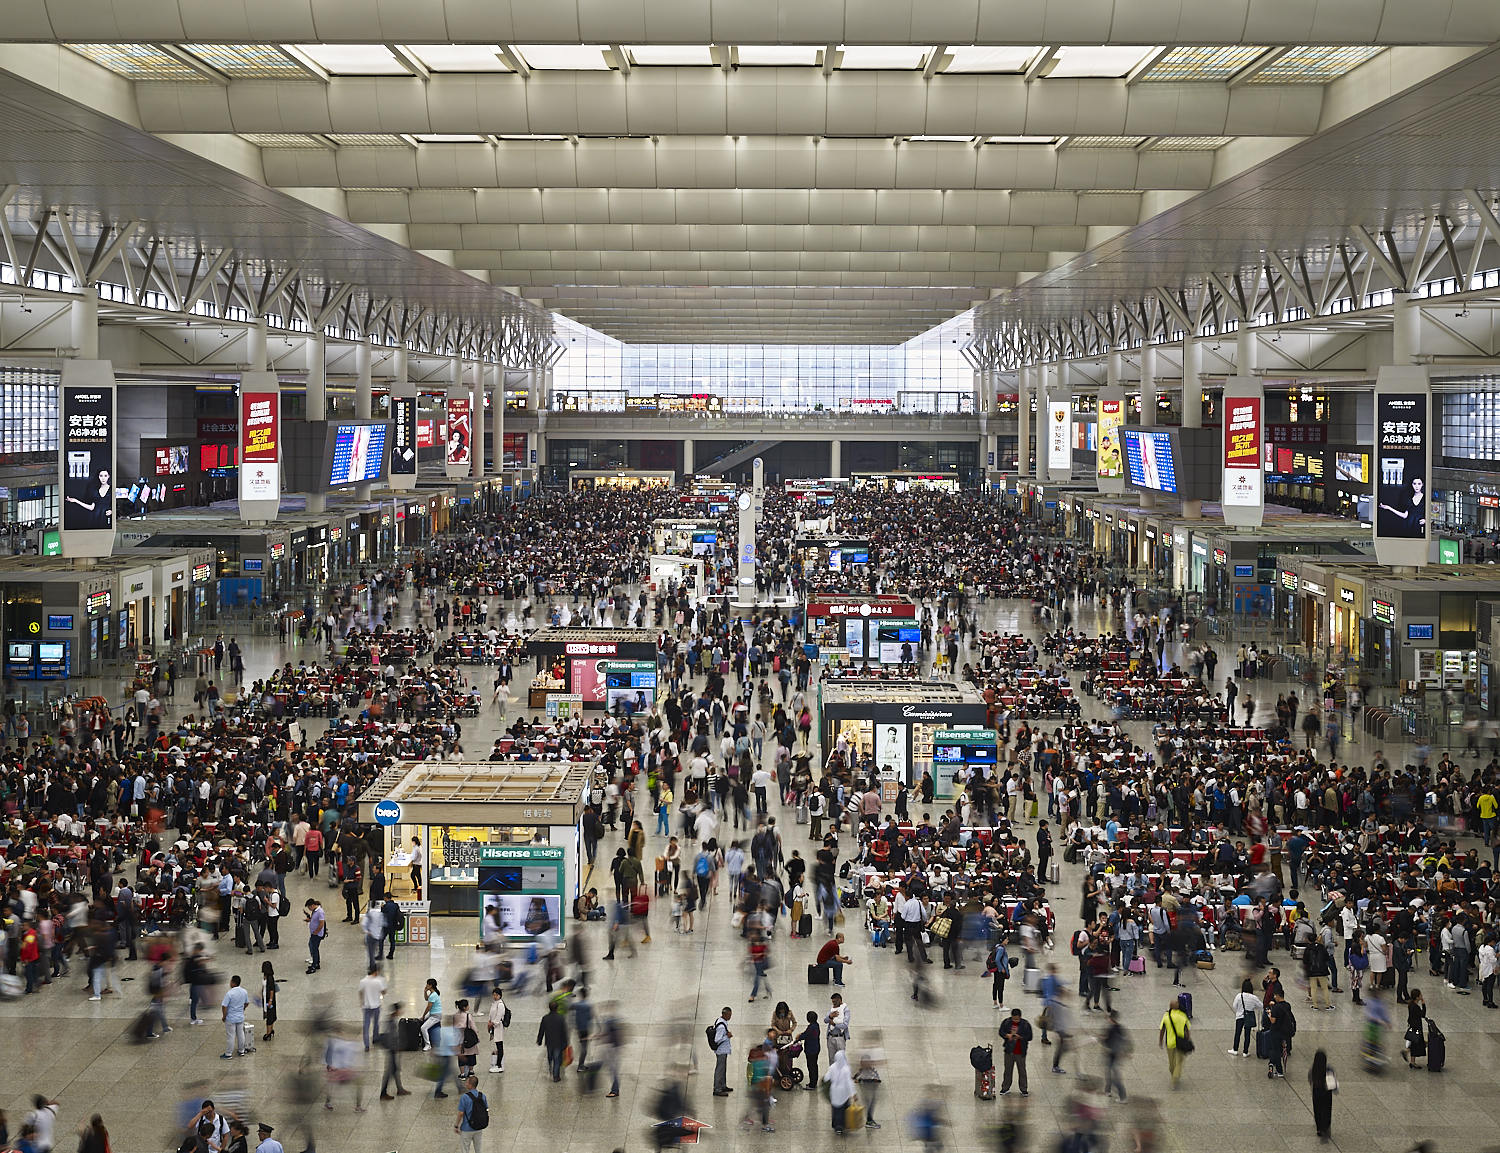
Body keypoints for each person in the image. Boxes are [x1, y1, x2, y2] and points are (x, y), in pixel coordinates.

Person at [379, 1002, 414, 1100]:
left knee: (394, 1070)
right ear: (397, 1011)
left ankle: (399, 1088)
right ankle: (383, 1093)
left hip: (392, 1049)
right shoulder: (391, 1022)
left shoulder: (391, 1020)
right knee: (390, 1071)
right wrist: (394, 1047)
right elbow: (390, 1036)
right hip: (391, 1049)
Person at [821, 1050, 857, 1136]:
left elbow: (826, 1078)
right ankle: (843, 1124)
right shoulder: (846, 1069)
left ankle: (836, 1126)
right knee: (843, 1108)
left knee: (835, 1109)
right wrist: (853, 1094)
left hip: (834, 1090)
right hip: (843, 1092)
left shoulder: (832, 1067)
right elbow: (849, 1082)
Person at [998, 1008, 1032, 1097]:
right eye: (1014, 1019)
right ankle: (1005, 1087)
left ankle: (1024, 1089)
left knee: (1022, 1071)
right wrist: (1007, 1035)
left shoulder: (1025, 1024)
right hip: (1009, 1051)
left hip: (1020, 1051)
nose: (1015, 1021)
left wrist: (1020, 1037)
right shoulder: (1006, 1022)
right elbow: (1001, 1032)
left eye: (1017, 1019)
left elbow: (1029, 1036)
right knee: (1007, 1070)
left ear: (1020, 1017)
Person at [1158, 997, 1191, 1088]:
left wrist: (1160, 1040)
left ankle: (1173, 1073)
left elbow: (1162, 1029)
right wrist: (1187, 1038)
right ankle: (1176, 1076)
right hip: (1180, 1043)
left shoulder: (1166, 1016)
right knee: (1179, 1061)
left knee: (1171, 1062)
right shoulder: (1183, 1016)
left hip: (1170, 1043)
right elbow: (1187, 1029)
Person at [536, 1000, 570, 1082]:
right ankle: (556, 1076)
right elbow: (564, 1031)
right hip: (558, 1042)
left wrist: (539, 1040)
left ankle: (551, 1068)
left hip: (549, 1042)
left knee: (550, 1056)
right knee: (557, 1058)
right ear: (557, 1008)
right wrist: (566, 1042)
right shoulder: (561, 1018)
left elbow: (541, 1030)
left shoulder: (545, 1018)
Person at [221, 974, 253, 1060]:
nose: (230, 983)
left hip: (230, 1017)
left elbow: (224, 1006)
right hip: (240, 1017)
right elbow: (247, 1003)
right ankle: (241, 1050)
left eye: (231, 981)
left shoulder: (229, 993)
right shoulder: (244, 991)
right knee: (241, 1034)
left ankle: (228, 1053)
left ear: (233, 983)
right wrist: (243, 1008)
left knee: (231, 1036)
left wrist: (224, 1016)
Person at [454, 1074, 488, 1153]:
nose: (465, 1084)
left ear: (470, 1085)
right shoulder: (482, 1096)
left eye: (467, 1082)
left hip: (467, 1128)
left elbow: (461, 1113)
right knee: (478, 1149)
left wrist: (456, 1125)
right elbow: (486, 1109)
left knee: (465, 1150)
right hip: (479, 1127)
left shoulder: (464, 1097)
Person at [1308, 1049, 1336, 1142]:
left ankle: (1319, 1127)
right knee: (1326, 1108)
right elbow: (1333, 1082)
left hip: (1316, 1090)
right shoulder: (1328, 1069)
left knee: (1318, 1109)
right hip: (1326, 1091)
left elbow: (1310, 1079)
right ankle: (1325, 1126)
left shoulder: (1313, 1069)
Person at [1230, 979, 1263, 1057]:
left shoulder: (1239, 996)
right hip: (1249, 1018)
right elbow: (1261, 1006)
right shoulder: (1253, 997)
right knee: (1247, 1034)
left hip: (1240, 1017)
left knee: (1238, 1033)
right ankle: (1245, 1051)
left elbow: (1234, 1006)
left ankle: (1235, 1049)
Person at [359, 965, 387, 1051]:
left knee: (366, 1025)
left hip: (366, 1005)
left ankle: (366, 1045)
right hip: (376, 1005)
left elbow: (360, 992)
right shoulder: (378, 982)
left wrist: (362, 1001)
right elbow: (383, 992)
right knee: (376, 1023)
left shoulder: (363, 981)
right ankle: (375, 1038)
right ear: (375, 972)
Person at [710, 1007, 734, 1096]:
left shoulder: (721, 1021)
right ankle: (717, 1089)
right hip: (721, 1050)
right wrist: (727, 1036)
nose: (730, 1016)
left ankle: (723, 1085)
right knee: (720, 1070)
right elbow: (717, 1039)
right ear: (724, 1014)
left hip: (723, 1050)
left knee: (723, 1068)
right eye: (729, 1015)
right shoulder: (721, 1026)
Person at [796, 1010, 821, 1089]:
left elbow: (806, 1035)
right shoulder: (816, 1025)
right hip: (816, 1048)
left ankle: (812, 1085)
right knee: (814, 1065)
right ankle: (814, 1082)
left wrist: (799, 1037)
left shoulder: (811, 1027)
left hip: (810, 1050)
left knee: (811, 1066)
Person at [486, 987, 508, 1073]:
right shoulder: (494, 1003)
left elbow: (498, 1017)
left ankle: (499, 1065)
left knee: (500, 1045)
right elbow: (491, 1014)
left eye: (497, 995)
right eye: (494, 995)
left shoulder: (500, 1005)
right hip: (493, 1026)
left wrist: (492, 1023)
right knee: (497, 1044)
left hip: (498, 1027)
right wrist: (489, 1021)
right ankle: (498, 1064)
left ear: (500, 995)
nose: (495, 996)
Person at [825, 993, 851, 1058]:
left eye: (834, 1002)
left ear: (839, 1000)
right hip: (831, 1037)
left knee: (840, 1058)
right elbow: (825, 1020)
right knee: (831, 1058)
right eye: (832, 1002)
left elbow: (845, 1025)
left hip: (840, 1037)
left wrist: (835, 1024)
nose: (833, 1003)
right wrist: (830, 1016)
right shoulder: (832, 1009)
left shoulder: (846, 1010)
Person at [420, 979, 443, 1050]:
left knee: (423, 1028)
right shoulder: (433, 993)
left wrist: (423, 1016)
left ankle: (428, 1044)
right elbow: (427, 999)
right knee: (419, 1020)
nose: (426, 985)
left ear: (431, 985)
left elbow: (428, 1008)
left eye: (427, 984)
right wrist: (425, 992)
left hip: (435, 1016)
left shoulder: (433, 995)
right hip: (433, 1014)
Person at [304, 899, 326, 974]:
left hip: (317, 934)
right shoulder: (315, 911)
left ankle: (314, 966)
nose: (309, 909)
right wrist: (310, 920)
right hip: (314, 933)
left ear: (313, 905)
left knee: (314, 949)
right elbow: (315, 920)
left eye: (309, 907)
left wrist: (315, 933)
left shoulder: (320, 912)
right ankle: (317, 963)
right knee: (313, 947)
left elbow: (321, 924)